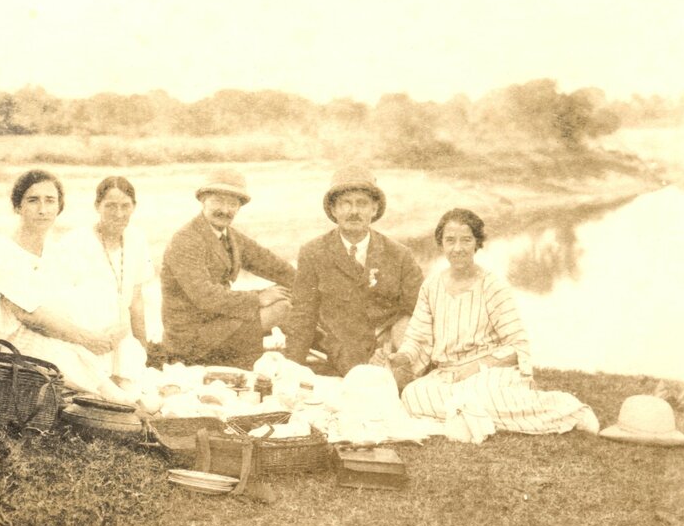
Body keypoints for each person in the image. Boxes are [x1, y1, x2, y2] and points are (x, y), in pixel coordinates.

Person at [384, 208, 599, 436]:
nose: (458, 248)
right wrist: (403, 357)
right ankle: (475, 416)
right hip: (447, 376)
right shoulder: (431, 287)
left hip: (489, 372)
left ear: (477, 243)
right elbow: (418, 339)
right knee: (413, 396)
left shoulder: (492, 286)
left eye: (466, 240)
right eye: (450, 240)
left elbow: (516, 346)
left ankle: (569, 409)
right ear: (441, 244)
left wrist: (473, 368)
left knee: (487, 395)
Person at [0, 169, 132, 402]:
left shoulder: (54, 251)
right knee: (60, 348)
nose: (43, 209)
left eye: (50, 200)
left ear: (59, 206)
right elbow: (29, 316)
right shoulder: (1, 252)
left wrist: (106, 330)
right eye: (33, 200)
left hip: (36, 334)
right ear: (18, 206)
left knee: (89, 336)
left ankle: (122, 393)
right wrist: (86, 338)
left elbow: (71, 300)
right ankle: (118, 401)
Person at [283, 164, 423, 376]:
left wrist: (394, 343)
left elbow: (420, 310)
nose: (354, 211)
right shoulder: (313, 253)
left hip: (391, 347)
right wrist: (291, 368)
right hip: (343, 350)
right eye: (345, 204)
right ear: (333, 209)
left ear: (374, 209)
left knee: (404, 380)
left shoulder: (400, 255)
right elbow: (303, 315)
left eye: (362, 204)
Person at [160, 168, 296, 367]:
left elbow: (272, 265)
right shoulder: (186, 240)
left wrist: (310, 284)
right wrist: (259, 297)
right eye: (218, 201)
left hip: (218, 322)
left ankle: (327, 347)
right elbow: (205, 296)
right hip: (190, 338)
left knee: (291, 297)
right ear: (203, 200)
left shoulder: (230, 236)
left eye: (232, 203)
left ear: (239, 207)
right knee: (280, 306)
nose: (225, 209)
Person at [53, 176, 154, 379]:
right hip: (85, 342)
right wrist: (90, 340)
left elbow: (136, 301)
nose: (119, 214)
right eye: (110, 206)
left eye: (125, 206)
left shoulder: (137, 240)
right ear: (97, 206)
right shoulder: (75, 243)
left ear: (134, 207)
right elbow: (61, 306)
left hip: (122, 341)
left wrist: (143, 348)